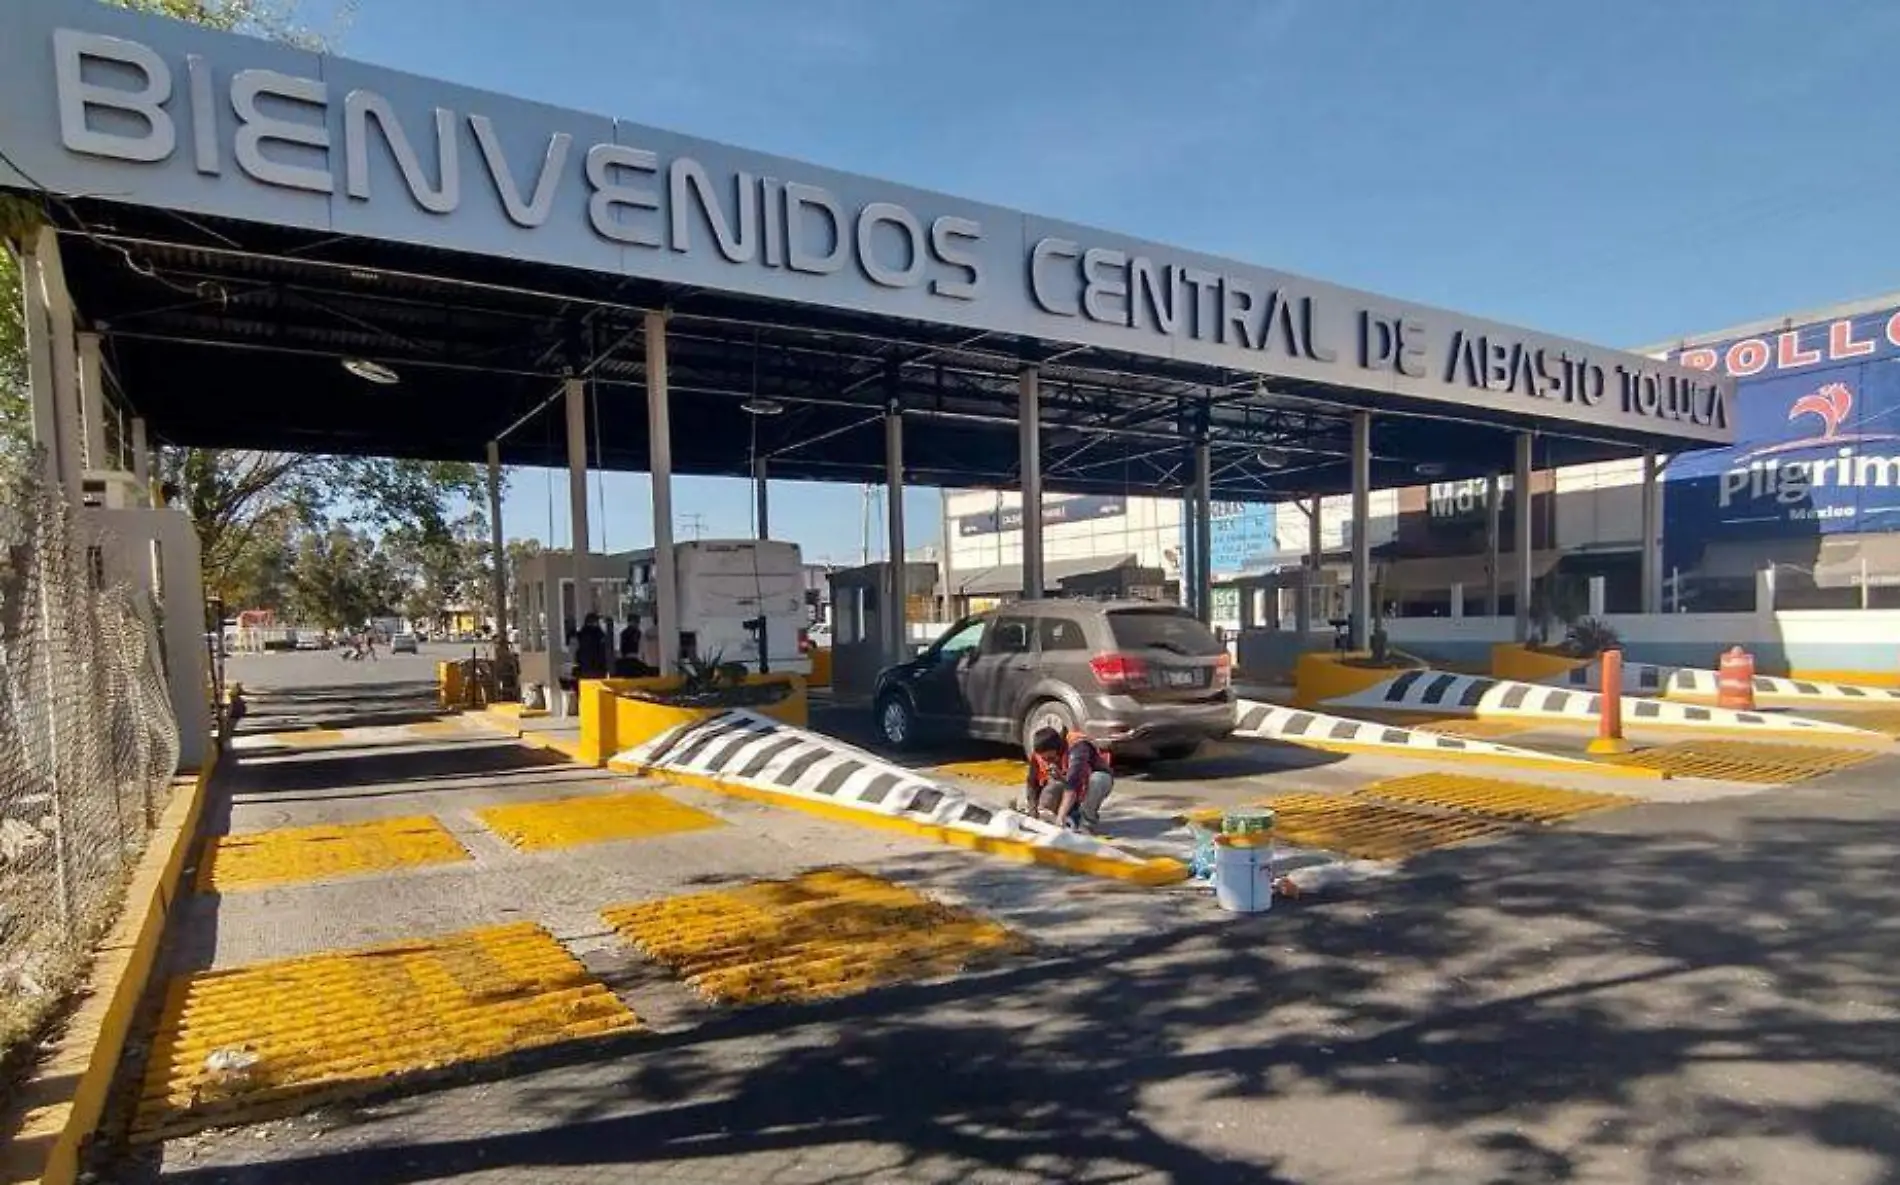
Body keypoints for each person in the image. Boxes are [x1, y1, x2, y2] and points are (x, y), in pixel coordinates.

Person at [1025, 726, 1114, 833]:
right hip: (1067, 783)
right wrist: (1033, 811)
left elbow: (1073, 784)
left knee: (1098, 779)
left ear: (1057, 750)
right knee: (1053, 783)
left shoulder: (1078, 747)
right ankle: (1049, 814)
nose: (1047, 762)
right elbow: (1032, 783)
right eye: (1044, 759)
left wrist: (1060, 818)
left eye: (1050, 758)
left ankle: (1086, 824)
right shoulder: (1040, 752)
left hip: (1088, 782)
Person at [574, 611, 610, 680]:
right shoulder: (600, 634)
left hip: (584, 668)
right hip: (599, 668)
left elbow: (576, 651)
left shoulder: (580, 634)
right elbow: (605, 651)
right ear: (594, 622)